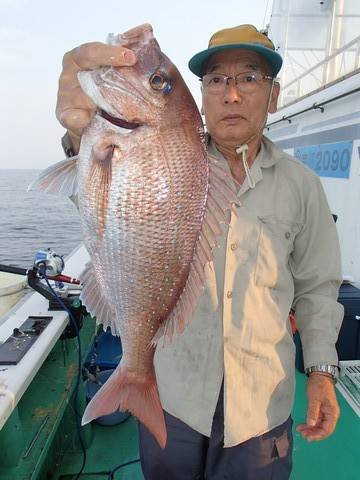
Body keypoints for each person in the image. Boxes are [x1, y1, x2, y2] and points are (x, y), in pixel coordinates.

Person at [57, 24, 344, 480]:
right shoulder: (162, 156)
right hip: (173, 397)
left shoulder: (302, 186)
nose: (231, 95)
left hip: (261, 408)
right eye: (216, 80)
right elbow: (104, 197)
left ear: (273, 96)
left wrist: (323, 374)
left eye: (249, 78)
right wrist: (79, 134)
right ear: (202, 95)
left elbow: (317, 287)